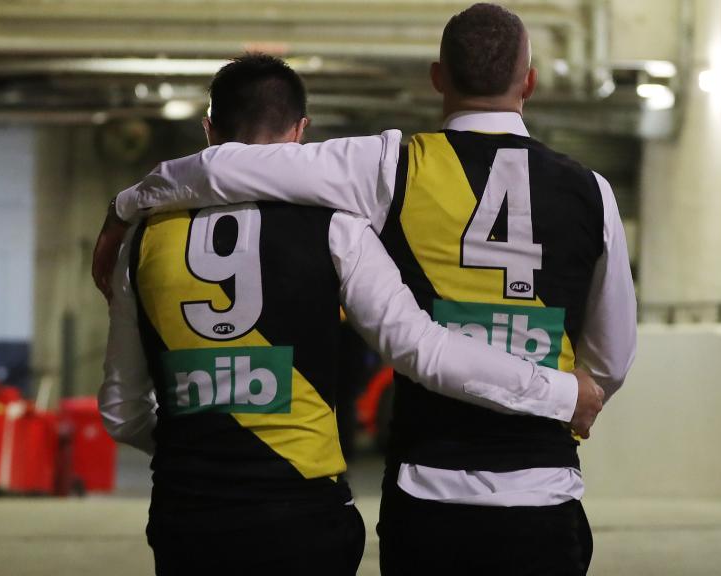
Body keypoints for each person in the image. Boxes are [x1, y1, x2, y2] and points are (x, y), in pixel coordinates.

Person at [100, 53, 607, 576]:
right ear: (302, 131)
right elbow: (419, 348)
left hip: (185, 518)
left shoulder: (142, 240)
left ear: (208, 129)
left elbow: (122, 410)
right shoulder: (336, 227)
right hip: (301, 516)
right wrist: (560, 391)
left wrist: (202, 440)